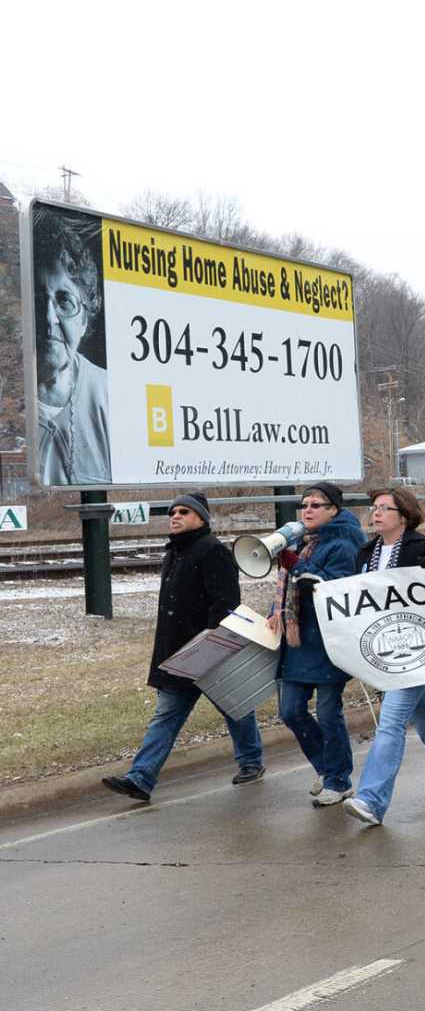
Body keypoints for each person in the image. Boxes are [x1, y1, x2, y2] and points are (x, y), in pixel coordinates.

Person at [100, 493, 263, 803]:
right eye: (173, 512)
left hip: (209, 651)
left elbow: (226, 604)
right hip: (178, 655)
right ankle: (141, 779)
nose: (175, 516)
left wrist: (211, 643)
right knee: (167, 716)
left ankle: (251, 762)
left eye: (184, 512)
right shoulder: (175, 551)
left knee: (235, 708)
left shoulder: (212, 551)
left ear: (201, 518)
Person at [342, 488, 425, 826]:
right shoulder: (366, 552)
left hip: (417, 647)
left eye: (385, 508)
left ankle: (371, 800)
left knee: (392, 720)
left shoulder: (422, 548)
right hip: (384, 648)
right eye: (375, 507)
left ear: (404, 515)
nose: (377, 513)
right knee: (422, 711)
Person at [270, 481, 366, 806]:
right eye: (305, 504)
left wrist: (296, 565)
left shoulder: (343, 544)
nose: (307, 510)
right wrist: (276, 612)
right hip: (300, 641)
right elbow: (290, 587)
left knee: (327, 714)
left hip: (328, 642)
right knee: (291, 711)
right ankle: (327, 769)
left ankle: (339, 781)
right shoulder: (307, 542)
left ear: (334, 511)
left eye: (316, 505)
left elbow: (334, 588)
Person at [32, 207, 110, 485]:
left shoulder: (110, 395)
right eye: (38, 299)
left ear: (86, 319)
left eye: (64, 300)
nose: (49, 318)